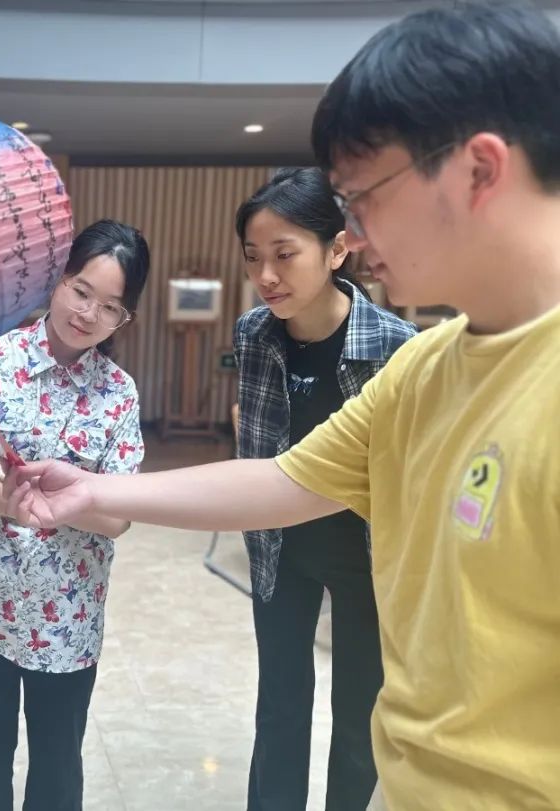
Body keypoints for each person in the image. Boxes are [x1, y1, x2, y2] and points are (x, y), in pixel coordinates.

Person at [4, 3, 560, 808]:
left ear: (478, 170)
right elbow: (284, 478)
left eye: (364, 198)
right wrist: (93, 489)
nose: (354, 234)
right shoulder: (426, 368)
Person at [0, 220, 149, 811]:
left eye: (111, 307)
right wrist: (30, 505)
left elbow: (119, 515)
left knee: (57, 768)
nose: (89, 314)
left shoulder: (119, 394)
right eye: (81, 290)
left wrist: (66, 503)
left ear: (124, 317)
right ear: (58, 278)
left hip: (67, 613)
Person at [233, 167, 415, 811]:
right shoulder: (253, 333)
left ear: (337, 250)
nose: (266, 276)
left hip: (368, 557)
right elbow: (257, 448)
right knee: (279, 707)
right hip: (279, 549)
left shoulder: (396, 347)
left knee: (362, 716)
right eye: (253, 256)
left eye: (284, 255)